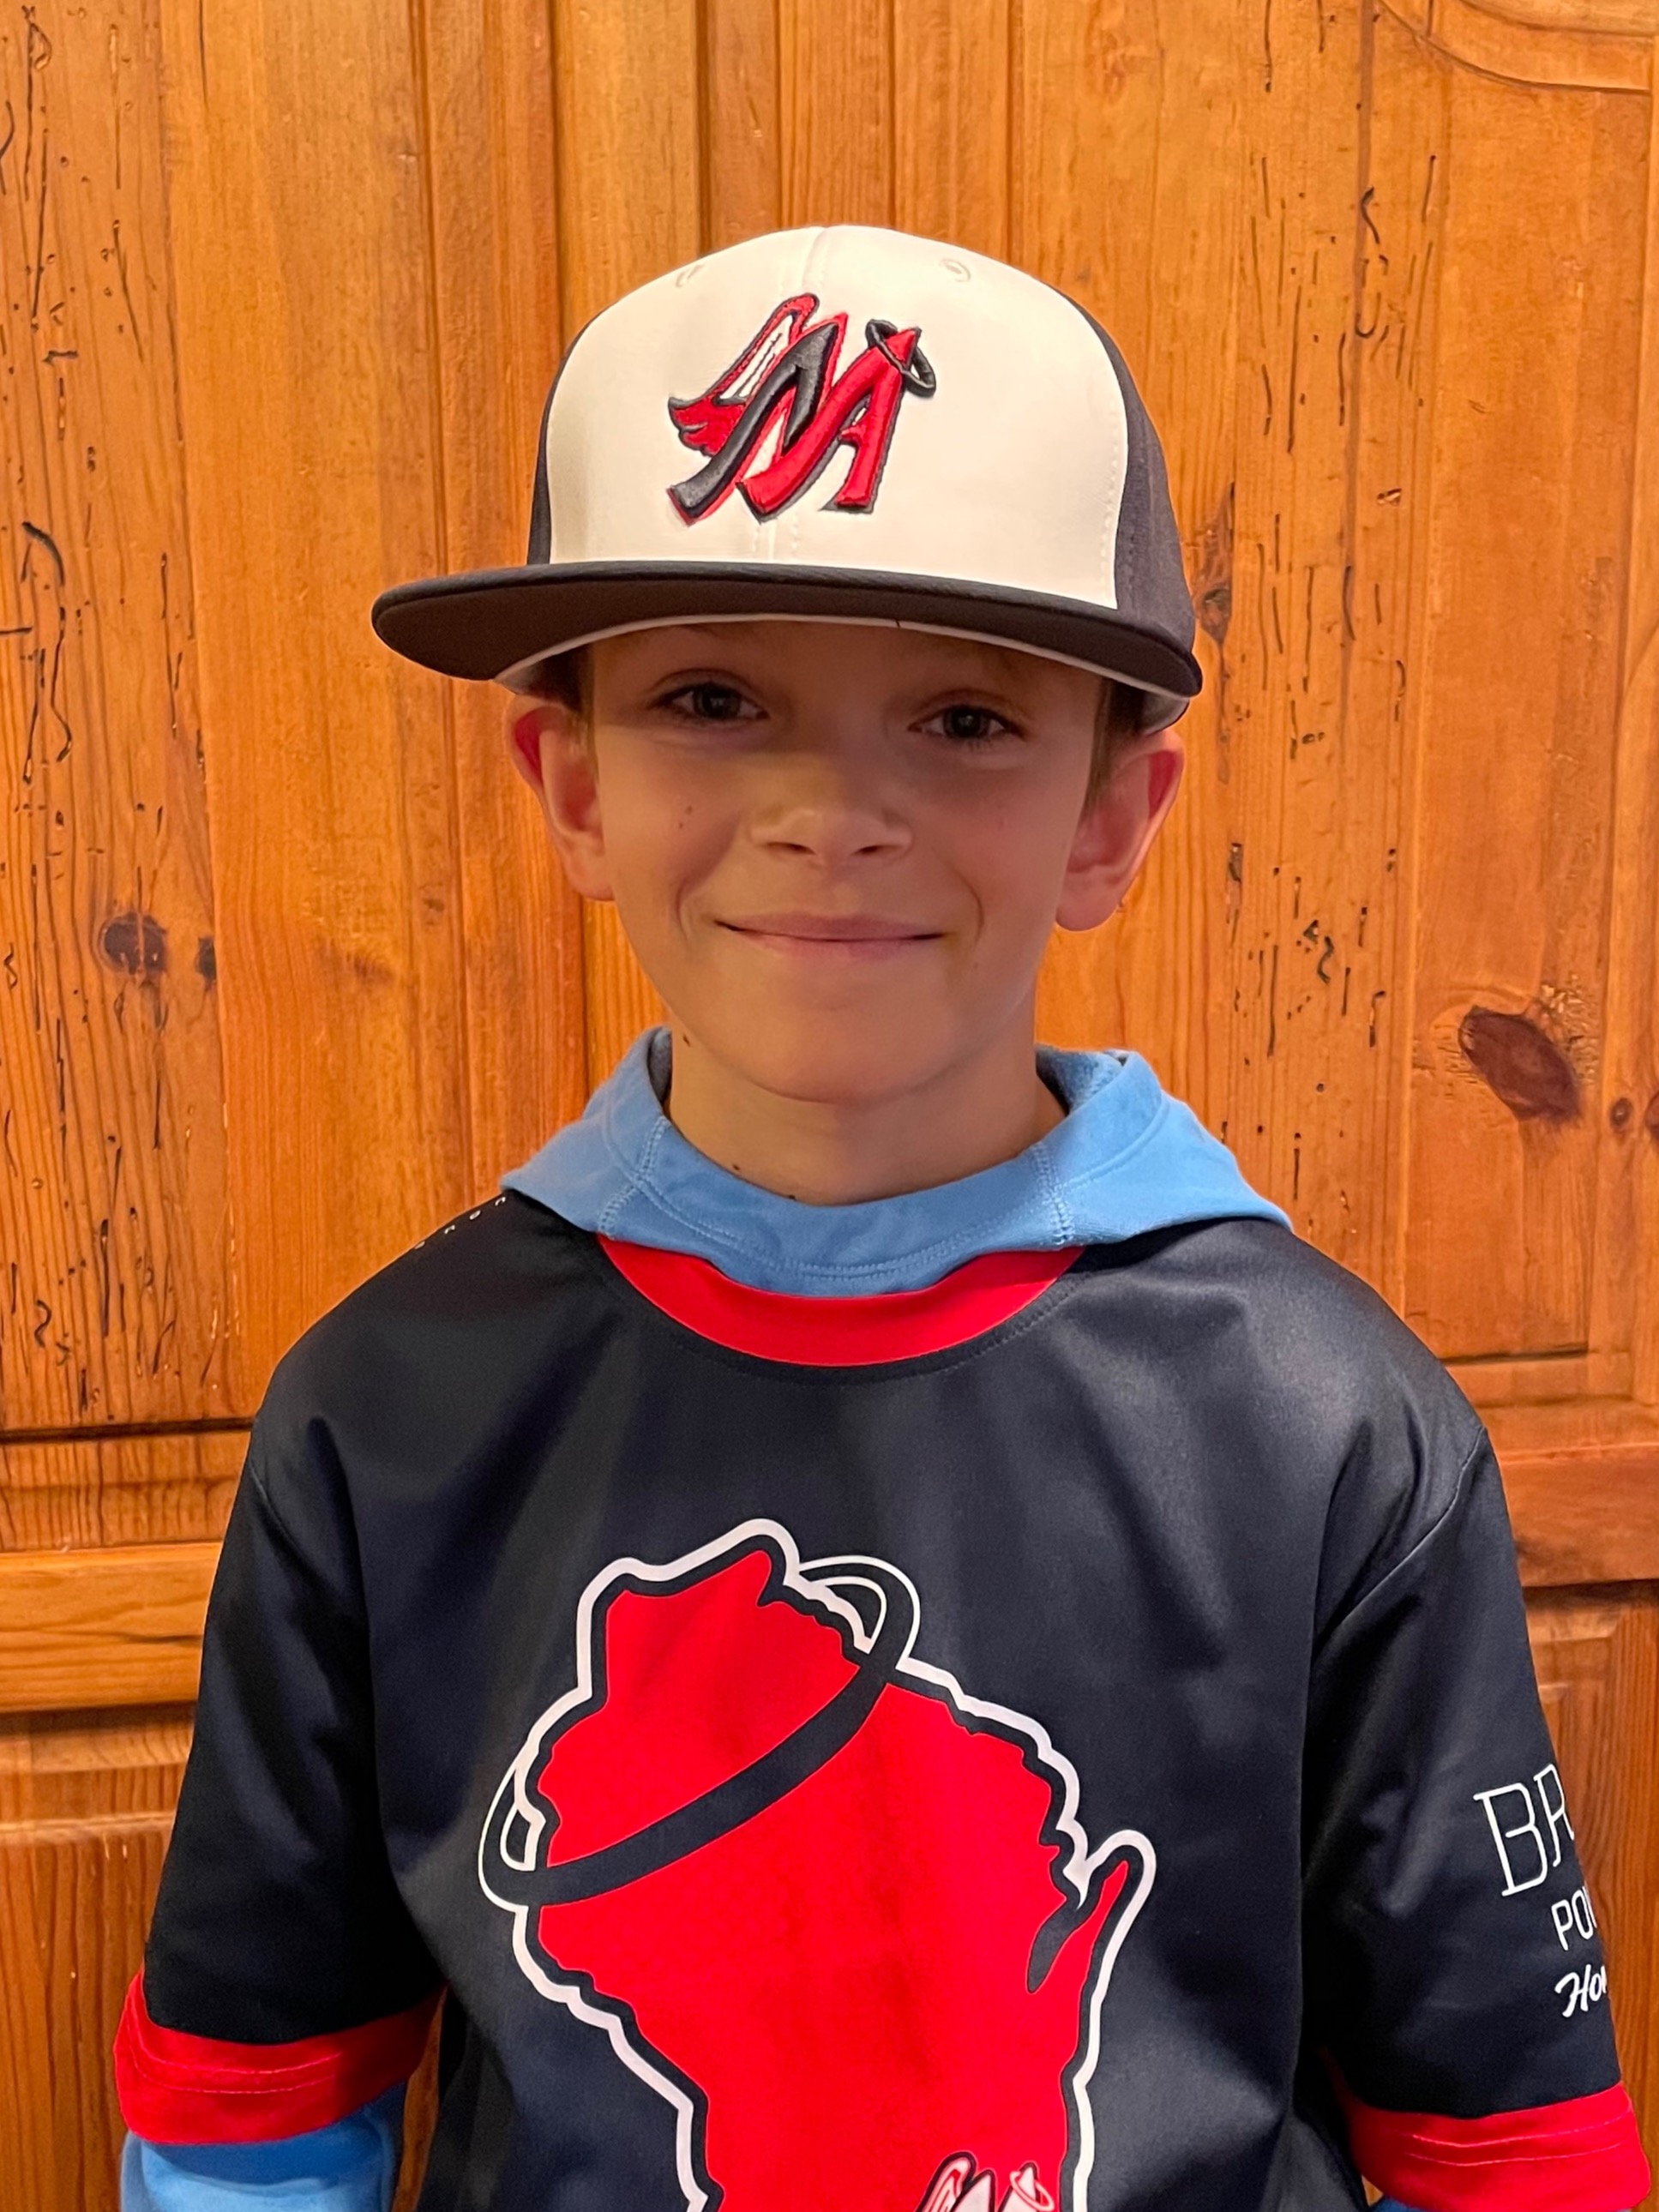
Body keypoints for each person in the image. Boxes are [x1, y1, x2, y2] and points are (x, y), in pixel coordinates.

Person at [115, 225, 1649, 2212]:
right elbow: (248, 2110)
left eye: (961, 720)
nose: (826, 813)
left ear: (1110, 814)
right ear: (568, 785)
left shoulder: (1329, 1423)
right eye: (711, 696)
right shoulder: (384, 1406)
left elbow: (1500, 2145)